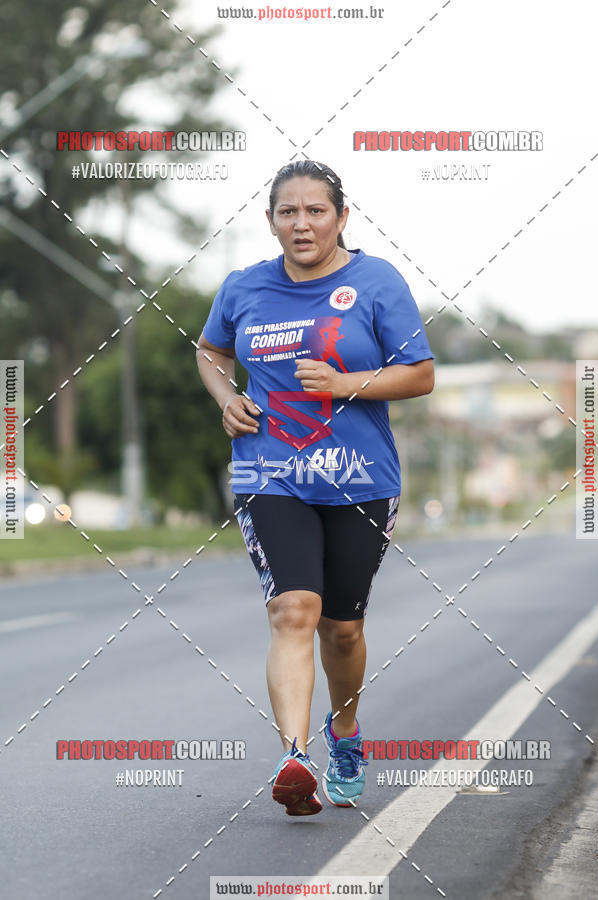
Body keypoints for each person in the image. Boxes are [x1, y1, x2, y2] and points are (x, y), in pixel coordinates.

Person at [196, 160, 434, 817]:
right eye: (287, 212)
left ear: (341, 217)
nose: (301, 223)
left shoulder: (375, 281)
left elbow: (419, 375)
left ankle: (346, 734)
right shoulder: (244, 288)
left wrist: (343, 383)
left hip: (361, 478)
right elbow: (211, 351)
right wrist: (225, 397)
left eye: (315, 211)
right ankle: (295, 757)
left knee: (343, 630)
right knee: (293, 609)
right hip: (269, 472)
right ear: (270, 220)